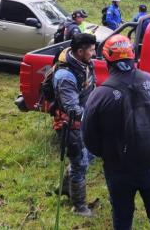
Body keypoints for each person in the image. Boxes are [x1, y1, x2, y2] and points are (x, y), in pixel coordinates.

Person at [83, 35, 150, 230]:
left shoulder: (99, 95)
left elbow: (88, 137)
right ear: (133, 57)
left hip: (119, 167)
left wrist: (107, 153)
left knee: (122, 217)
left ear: (106, 61)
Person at [53, 33, 97, 217]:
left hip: (86, 123)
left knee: (90, 156)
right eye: (92, 50)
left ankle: (64, 187)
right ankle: (79, 207)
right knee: (80, 164)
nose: (95, 54)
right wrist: (98, 116)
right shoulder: (65, 76)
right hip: (71, 126)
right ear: (80, 51)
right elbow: (73, 109)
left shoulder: (85, 64)